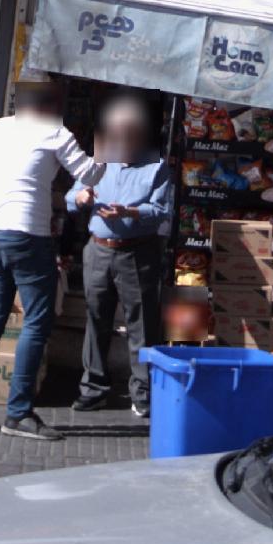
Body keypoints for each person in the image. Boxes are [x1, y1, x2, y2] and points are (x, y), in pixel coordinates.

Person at [0, 84, 105, 443]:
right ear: (48, 105)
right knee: (37, 321)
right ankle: (18, 413)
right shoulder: (53, 131)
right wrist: (108, 147)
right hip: (27, 236)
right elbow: (91, 174)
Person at [67, 95, 173, 419]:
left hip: (137, 252)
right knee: (96, 319)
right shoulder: (99, 163)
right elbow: (71, 197)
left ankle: (142, 394)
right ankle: (93, 389)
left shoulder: (156, 167)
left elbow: (162, 212)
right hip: (98, 249)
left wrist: (131, 212)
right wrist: (81, 197)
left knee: (142, 325)